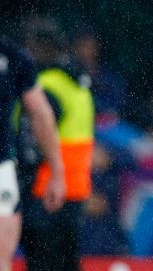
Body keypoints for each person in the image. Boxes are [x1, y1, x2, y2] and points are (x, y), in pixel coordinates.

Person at [18, 18, 94, 271]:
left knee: (42, 264)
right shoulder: (77, 82)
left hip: (46, 190)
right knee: (67, 263)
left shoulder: (45, 85)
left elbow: (33, 140)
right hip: (75, 190)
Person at [0, 37, 65, 271]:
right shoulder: (11, 56)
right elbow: (41, 114)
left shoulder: (12, 56)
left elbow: (41, 115)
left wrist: (57, 173)